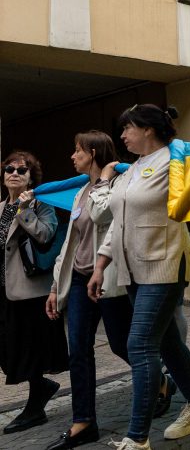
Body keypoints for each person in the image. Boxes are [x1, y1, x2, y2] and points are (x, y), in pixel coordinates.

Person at [87, 105, 190, 450]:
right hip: (131, 270)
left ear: (148, 129)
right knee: (170, 343)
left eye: (128, 128)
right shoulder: (130, 170)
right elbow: (117, 222)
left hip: (165, 265)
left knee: (140, 344)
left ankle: (137, 438)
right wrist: (101, 265)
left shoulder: (174, 159)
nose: (123, 135)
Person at [44, 132, 134, 450]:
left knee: (123, 345)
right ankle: (84, 422)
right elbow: (70, 246)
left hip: (107, 279)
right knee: (78, 351)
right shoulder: (82, 191)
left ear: (92, 152)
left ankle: (160, 380)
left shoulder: (117, 185)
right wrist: (56, 287)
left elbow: (103, 214)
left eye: (77, 150)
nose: (72, 156)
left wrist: (105, 180)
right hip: (81, 281)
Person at [0, 151, 68, 434]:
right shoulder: (0, 206)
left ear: (31, 178)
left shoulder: (42, 205)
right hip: (4, 289)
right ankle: (41, 389)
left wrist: (25, 210)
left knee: (30, 348)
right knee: (9, 349)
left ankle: (35, 406)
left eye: (22, 170)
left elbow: (45, 235)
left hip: (31, 291)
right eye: (9, 168)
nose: (14, 173)